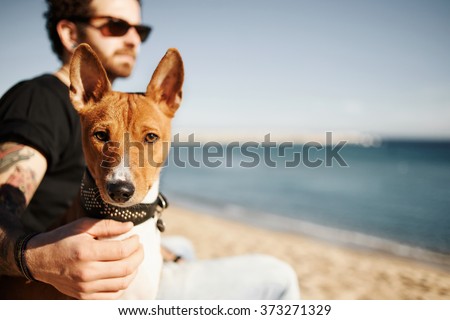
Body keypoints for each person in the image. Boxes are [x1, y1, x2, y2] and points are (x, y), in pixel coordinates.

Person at [0, 0, 300, 299]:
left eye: (139, 31)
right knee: (278, 277)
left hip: (109, 238)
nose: (132, 39)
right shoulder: (37, 101)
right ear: (69, 33)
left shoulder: (123, 107)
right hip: (69, 273)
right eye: (115, 26)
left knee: (183, 247)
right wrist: (36, 260)